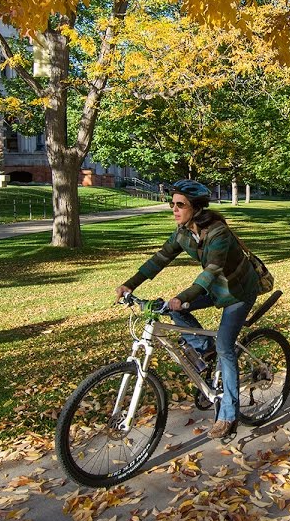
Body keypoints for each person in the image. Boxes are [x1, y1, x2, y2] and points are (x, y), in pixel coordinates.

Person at [114, 179, 266, 439]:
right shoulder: (183, 232)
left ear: (196, 208)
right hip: (214, 288)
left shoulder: (218, 232)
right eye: (171, 204)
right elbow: (160, 259)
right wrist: (129, 284)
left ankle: (228, 416)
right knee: (169, 310)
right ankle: (205, 351)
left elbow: (212, 270)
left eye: (180, 205)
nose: (174, 209)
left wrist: (183, 297)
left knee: (225, 347)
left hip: (238, 291)